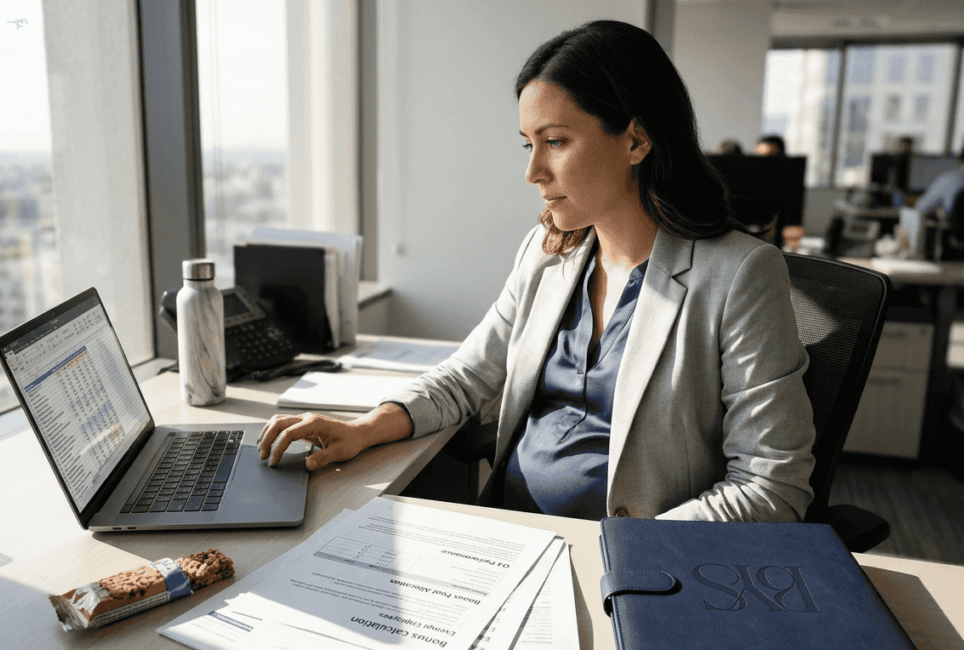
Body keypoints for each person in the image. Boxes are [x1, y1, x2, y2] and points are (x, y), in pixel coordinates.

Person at [259, 20, 815, 523]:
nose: (532, 171)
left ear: (637, 139)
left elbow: (770, 486)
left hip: (633, 561)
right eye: (529, 144)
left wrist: (628, 551)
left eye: (555, 142)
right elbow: (466, 377)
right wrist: (363, 429)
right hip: (508, 531)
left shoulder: (739, 274)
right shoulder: (548, 253)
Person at [914, 140, 964, 216]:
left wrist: (939, 210)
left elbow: (921, 207)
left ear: (960, 159)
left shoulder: (949, 178)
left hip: (957, 228)